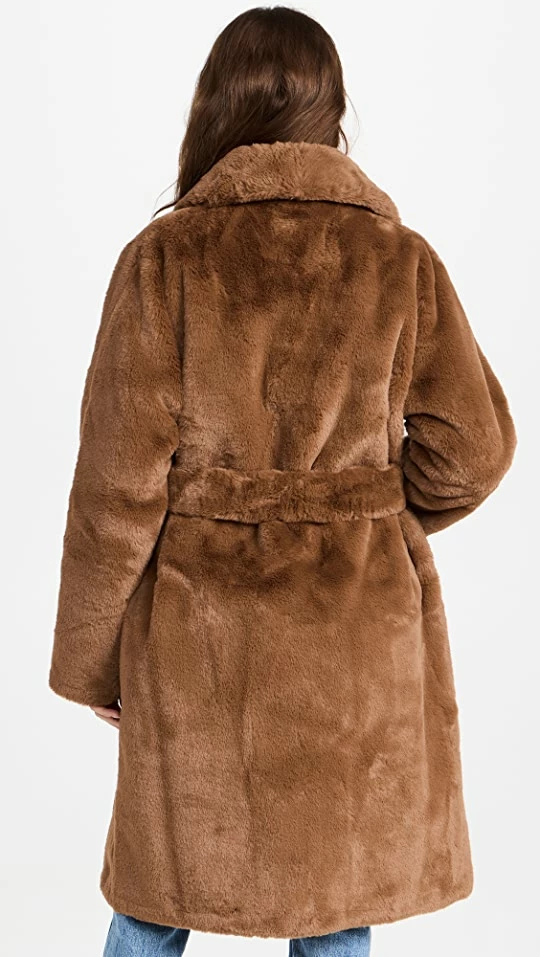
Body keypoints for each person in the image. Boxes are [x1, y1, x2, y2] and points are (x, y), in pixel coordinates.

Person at [49, 7, 517, 956]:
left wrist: (94, 662)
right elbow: (473, 450)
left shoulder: (162, 263)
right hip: (357, 646)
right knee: (336, 898)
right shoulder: (399, 260)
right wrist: (367, 513)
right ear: (334, 116)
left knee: (157, 892)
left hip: (199, 645)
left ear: (215, 108)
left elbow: (114, 492)